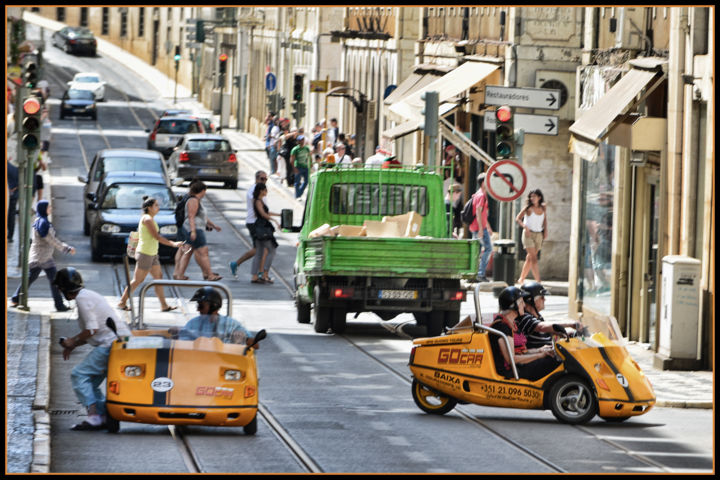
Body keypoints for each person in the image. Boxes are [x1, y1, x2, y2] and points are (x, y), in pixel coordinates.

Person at [53, 267, 131, 430]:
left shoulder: (82, 299)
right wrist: (73, 344)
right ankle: (104, 414)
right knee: (91, 382)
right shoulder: (87, 295)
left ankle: (94, 416)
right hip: (119, 342)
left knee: (79, 375)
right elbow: (93, 332)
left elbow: (92, 330)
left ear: (63, 289)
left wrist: (72, 341)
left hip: (110, 344)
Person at [118, 196, 183, 311]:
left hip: (152, 254)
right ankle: (122, 302)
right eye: (156, 205)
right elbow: (156, 236)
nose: (158, 207)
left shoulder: (149, 218)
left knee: (158, 277)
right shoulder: (147, 219)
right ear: (149, 208)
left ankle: (164, 305)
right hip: (145, 253)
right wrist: (173, 244)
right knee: (138, 280)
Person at [10, 200, 76, 311]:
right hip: (42, 258)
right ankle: (59, 305)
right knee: (50, 280)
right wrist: (67, 248)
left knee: (34, 278)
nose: (50, 208)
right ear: (43, 209)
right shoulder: (43, 223)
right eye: (48, 207)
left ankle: (16, 298)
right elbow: (52, 240)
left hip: (41, 256)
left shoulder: (40, 221)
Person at [489, 287, 560, 381]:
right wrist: (539, 355)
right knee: (555, 362)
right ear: (513, 306)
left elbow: (521, 351)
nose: (524, 305)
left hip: (520, 366)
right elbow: (512, 359)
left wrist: (540, 350)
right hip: (513, 371)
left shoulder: (512, 323)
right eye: (521, 302)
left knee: (555, 357)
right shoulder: (502, 326)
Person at [169, 287, 257, 346]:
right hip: (196, 361)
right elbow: (182, 344)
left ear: (213, 306)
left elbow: (255, 344)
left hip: (223, 363)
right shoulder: (193, 323)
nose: (198, 310)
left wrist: (242, 338)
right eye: (198, 306)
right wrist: (178, 333)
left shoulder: (231, 324)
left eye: (201, 306)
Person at [174, 180, 223, 281]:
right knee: (204, 252)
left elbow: (202, 217)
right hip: (195, 229)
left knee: (188, 252)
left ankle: (180, 275)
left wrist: (213, 225)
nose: (205, 193)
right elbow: (191, 217)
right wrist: (193, 231)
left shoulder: (195, 200)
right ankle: (210, 275)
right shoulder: (193, 200)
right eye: (205, 191)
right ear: (202, 190)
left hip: (193, 228)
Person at [517, 281, 581, 349]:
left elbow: (548, 331)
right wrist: (571, 324)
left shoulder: (537, 316)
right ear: (531, 300)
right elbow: (542, 327)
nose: (544, 299)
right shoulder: (524, 317)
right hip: (540, 355)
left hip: (549, 351)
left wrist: (566, 334)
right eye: (542, 297)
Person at [229, 171, 269, 278]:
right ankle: (259, 274)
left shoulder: (261, 190)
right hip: (254, 223)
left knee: (261, 249)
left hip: (258, 222)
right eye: (262, 178)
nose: (264, 181)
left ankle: (240, 266)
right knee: (262, 249)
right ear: (256, 179)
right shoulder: (254, 191)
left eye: (266, 179)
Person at [250, 183, 281, 284]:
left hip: (260, 227)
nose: (266, 192)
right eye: (265, 190)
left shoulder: (259, 201)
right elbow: (263, 214)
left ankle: (255, 276)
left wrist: (278, 215)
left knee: (259, 252)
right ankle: (265, 274)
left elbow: (266, 212)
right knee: (272, 250)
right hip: (262, 228)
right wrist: (275, 221)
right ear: (261, 191)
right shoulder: (258, 201)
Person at [515, 189, 548, 284]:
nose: (532, 198)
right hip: (528, 235)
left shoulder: (543, 207)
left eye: (534, 196)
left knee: (529, 258)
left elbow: (545, 219)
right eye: (531, 196)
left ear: (539, 197)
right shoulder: (528, 208)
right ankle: (538, 281)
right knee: (534, 258)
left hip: (539, 235)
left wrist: (545, 231)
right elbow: (518, 218)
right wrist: (525, 227)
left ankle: (521, 279)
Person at [468, 173, 493, 282]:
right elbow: (478, 211)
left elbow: (482, 214)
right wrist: (482, 229)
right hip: (479, 228)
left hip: (478, 227)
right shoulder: (481, 195)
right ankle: (480, 274)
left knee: (476, 251)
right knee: (488, 249)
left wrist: (488, 227)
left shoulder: (479, 194)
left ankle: (473, 274)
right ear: (483, 183)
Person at [7, 160, 19, 242]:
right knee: (11, 215)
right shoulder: (14, 168)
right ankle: (10, 236)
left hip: (9, 195)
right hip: (14, 195)